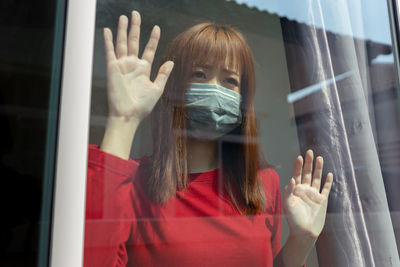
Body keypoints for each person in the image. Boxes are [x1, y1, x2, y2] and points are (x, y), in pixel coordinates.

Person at [84, 10, 333, 267]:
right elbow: (90, 259)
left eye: (230, 80)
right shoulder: (134, 184)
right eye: (200, 75)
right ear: (174, 88)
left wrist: (300, 241)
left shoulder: (263, 184)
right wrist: (123, 119)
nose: (215, 88)